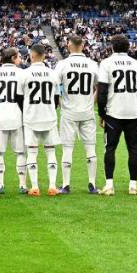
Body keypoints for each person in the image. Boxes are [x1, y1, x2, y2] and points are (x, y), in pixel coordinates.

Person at [97, 35, 137, 196]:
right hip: (132, 111)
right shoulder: (135, 63)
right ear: (128, 47)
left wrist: (102, 114)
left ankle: (109, 185)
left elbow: (102, 91)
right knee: (133, 149)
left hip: (114, 112)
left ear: (112, 47)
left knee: (110, 148)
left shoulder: (106, 63)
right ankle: (133, 185)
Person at [53, 35, 99, 194]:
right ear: (83, 45)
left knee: (67, 148)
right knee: (90, 148)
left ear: (68, 45)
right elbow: (100, 87)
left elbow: (54, 87)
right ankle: (92, 184)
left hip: (69, 112)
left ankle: (66, 185)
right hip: (87, 111)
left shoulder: (62, 64)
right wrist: (92, 102)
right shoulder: (92, 64)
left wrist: (60, 103)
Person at [19, 44, 60, 196]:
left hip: (31, 117)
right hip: (49, 116)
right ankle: (52, 186)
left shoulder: (24, 74)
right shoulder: (52, 74)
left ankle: (35, 187)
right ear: (44, 56)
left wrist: (26, 110)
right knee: (50, 151)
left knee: (32, 152)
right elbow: (56, 98)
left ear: (31, 55)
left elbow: (19, 97)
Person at [0, 47, 25, 194]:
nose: (20, 59)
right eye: (18, 57)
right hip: (17, 116)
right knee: (21, 153)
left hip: (0, 116)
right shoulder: (22, 74)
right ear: (12, 58)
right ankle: (22, 185)